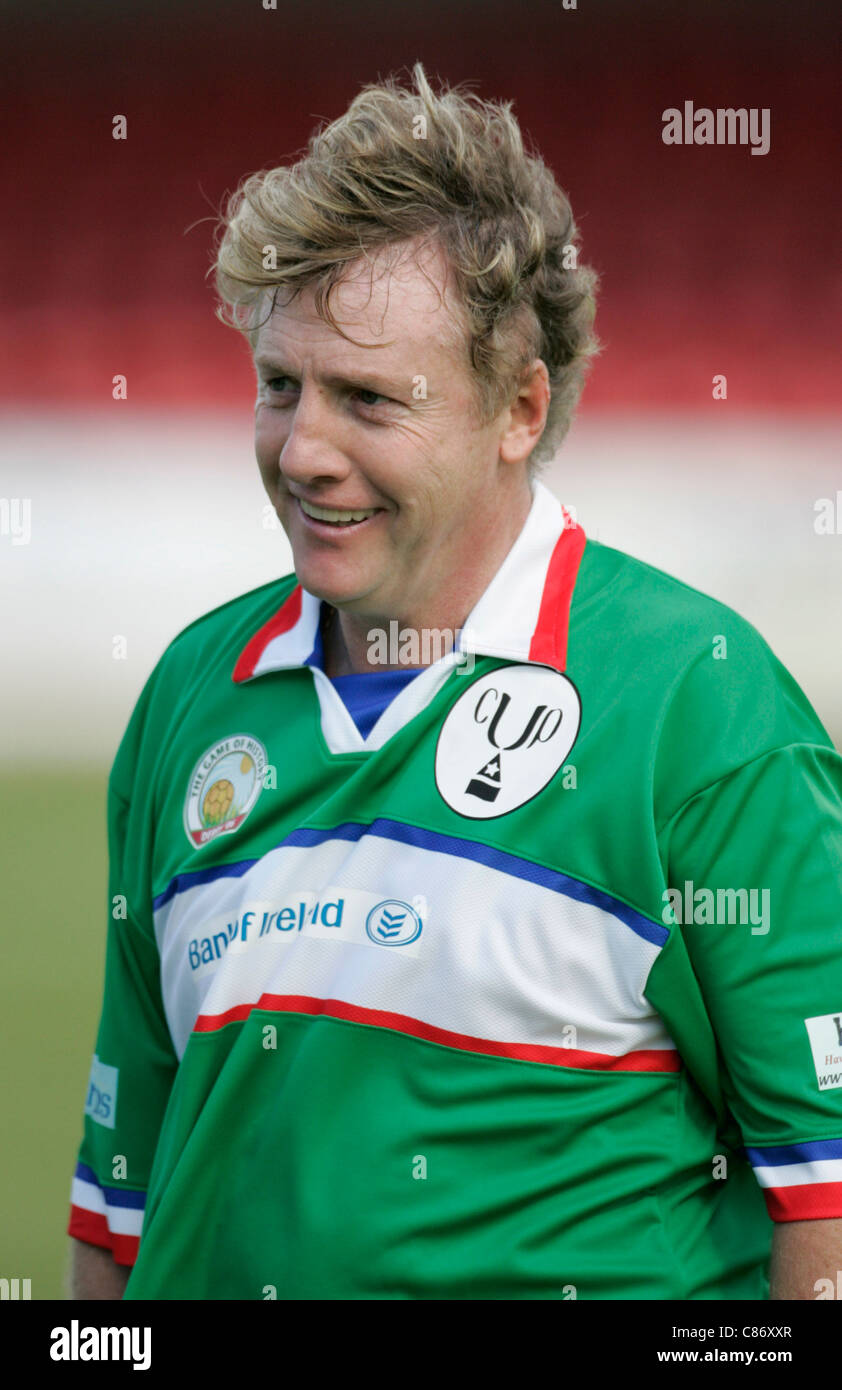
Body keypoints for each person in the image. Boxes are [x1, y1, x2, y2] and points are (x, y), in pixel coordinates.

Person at [68, 63, 842, 1301]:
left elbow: (826, 1198)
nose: (303, 451)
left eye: (369, 399)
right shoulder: (188, 696)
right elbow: (119, 1202)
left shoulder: (698, 708)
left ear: (517, 407)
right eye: (279, 386)